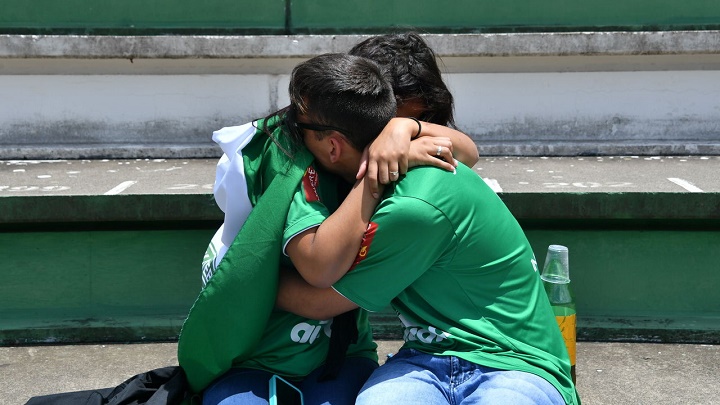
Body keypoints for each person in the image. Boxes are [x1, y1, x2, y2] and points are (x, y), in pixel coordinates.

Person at [188, 34, 479, 405]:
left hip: (339, 353)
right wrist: (242, 282)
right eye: (389, 120)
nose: (388, 140)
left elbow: (468, 152)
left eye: (420, 119)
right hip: (258, 357)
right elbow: (319, 272)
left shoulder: (391, 150)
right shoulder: (295, 154)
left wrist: (403, 131)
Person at [275, 70, 581, 405]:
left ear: (333, 146)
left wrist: (239, 281)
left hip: (515, 362)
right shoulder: (379, 183)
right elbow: (467, 149)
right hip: (424, 356)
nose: (289, 129)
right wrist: (403, 129)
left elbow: (318, 298)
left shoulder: (411, 207)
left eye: (297, 124)